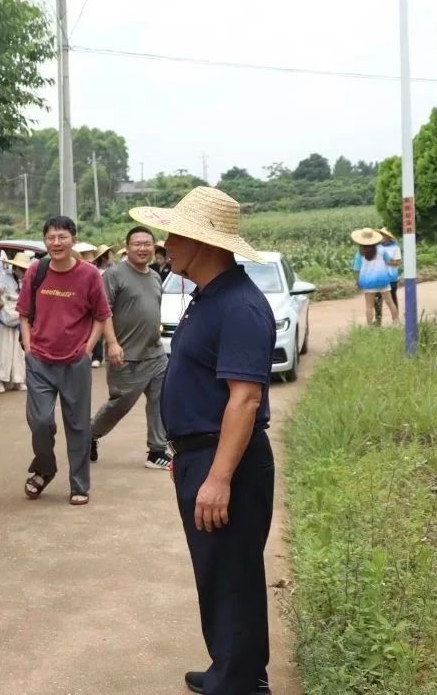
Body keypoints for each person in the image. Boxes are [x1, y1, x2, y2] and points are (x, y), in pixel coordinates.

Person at [130, 187, 275, 695]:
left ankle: (242, 683)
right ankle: (230, 669)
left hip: (227, 460)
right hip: (203, 454)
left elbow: (245, 399)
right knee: (216, 569)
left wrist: (218, 477)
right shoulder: (209, 298)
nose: (166, 244)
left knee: (232, 571)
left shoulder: (239, 305)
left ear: (203, 243)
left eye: (175, 235)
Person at [16, 216, 113, 506]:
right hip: (40, 361)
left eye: (62, 237)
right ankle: (45, 469)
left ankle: (79, 484)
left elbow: (101, 315)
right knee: (40, 422)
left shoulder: (90, 274)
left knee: (78, 426)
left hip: (75, 362)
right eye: (51, 237)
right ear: (45, 241)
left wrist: (88, 348)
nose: (56, 243)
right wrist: (28, 345)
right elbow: (24, 314)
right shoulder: (36, 271)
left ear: (74, 240)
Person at [89, 226, 170, 469]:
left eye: (147, 243)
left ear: (154, 247)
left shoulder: (155, 276)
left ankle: (157, 450)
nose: (143, 248)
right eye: (137, 244)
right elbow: (103, 312)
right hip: (125, 354)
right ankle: (89, 434)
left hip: (155, 353)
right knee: (120, 404)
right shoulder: (114, 275)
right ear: (127, 247)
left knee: (161, 399)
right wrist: (112, 344)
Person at [0, 250, 30, 393]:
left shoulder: (27, 281)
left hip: (19, 319)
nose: (23, 272)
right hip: (4, 319)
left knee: (18, 352)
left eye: (24, 269)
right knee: (1, 350)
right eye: (21, 269)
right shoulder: (5, 277)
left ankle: (18, 380)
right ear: (15, 268)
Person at [352, 228, 398, 325]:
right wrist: (396, 262)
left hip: (367, 282)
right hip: (382, 280)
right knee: (390, 302)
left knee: (369, 306)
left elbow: (357, 269)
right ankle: (396, 322)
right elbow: (389, 261)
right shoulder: (381, 250)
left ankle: (369, 326)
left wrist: (357, 282)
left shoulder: (359, 253)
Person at [90, 244, 114, 367]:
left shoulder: (114, 270)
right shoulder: (94, 271)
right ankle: (97, 356)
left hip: (111, 304)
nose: (112, 257)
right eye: (110, 255)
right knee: (98, 329)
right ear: (104, 257)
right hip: (97, 303)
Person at [373, 227, 402, 323]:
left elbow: (397, 263)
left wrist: (385, 261)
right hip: (379, 277)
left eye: (383, 235)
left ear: (388, 237)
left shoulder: (395, 248)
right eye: (380, 234)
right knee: (377, 299)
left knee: (392, 299)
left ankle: (396, 319)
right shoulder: (377, 247)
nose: (381, 236)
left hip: (391, 278)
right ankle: (378, 320)